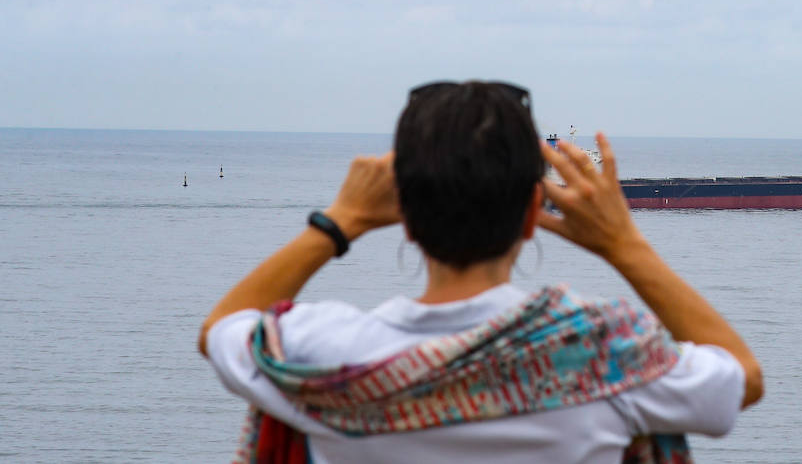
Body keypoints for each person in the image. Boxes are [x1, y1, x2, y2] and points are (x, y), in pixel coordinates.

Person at [200, 80, 763, 463]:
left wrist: (340, 222)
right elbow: (742, 377)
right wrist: (624, 246)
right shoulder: (606, 351)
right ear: (530, 216)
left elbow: (221, 328)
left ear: (406, 218)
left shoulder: (312, 354)